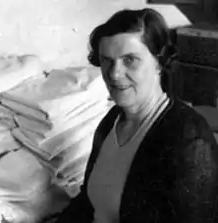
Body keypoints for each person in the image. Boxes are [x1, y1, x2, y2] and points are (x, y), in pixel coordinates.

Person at [55, 8, 218, 223]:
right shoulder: (111, 121)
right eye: (106, 60)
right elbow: (88, 202)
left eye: (130, 59)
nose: (114, 73)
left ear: (159, 62)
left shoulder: (189, 139)